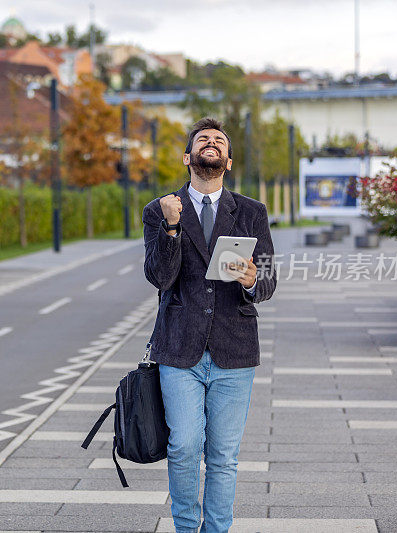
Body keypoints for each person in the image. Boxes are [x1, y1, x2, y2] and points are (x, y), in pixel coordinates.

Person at [142, 117, 276, 533]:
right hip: (178, 348)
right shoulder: (160, 209)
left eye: (219, 140)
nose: (211, 143)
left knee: (223, 455)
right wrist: (170, 226)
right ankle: (186, 527)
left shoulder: (251, 211)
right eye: (203, 139)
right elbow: (160, 278)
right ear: (188, 157)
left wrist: (254, 280)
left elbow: (269, 280)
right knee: (183, 446)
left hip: (234, 349)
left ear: (229, 161)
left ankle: (217, 530)